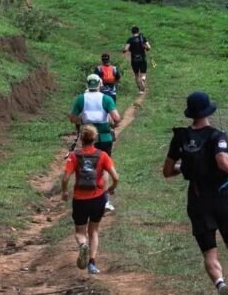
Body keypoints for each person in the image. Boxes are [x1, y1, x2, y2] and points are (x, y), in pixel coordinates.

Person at [163, 91, 228, 295]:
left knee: (209, 251)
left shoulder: (181, 137)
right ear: (208, 110)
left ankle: (220, 284)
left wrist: (185, 168)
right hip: (221, 195)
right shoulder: (216, 135)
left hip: (196, 197)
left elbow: (167, 171)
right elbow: (224, 163)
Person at [61, 125, 119, 275]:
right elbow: (116, 177)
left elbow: (66, 177)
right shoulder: (103, 155)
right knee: (93, 231)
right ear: (95, 138)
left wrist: (64, 192)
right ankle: (92, 263)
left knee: (80, 232)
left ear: (81, 138)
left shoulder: (74, 156)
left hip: (80, 199)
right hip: (98, 199)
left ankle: (82, 245)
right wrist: (111, 188)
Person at [69, 74, 121, 211]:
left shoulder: (81, 99)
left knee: (86, 165)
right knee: (103, 167)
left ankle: (86, 194)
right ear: (100, 84)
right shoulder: (106, 98)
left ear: (87, 84)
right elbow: (116, 117)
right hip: (104, 137)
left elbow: (72, 117)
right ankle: (103, 200)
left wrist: (83, 122)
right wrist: (114, 125)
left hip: (87, 137)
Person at [123, 26, 151, 94]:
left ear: (132, 32)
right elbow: (149, 47)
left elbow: (125, 49)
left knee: (136, 75)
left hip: (134, 59)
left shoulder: (130, 39)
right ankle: (143, 78)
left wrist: (124, 51)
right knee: (143, 73)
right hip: (142, 58)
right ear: (138, 31)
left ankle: (141, 90)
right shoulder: (142, 38)